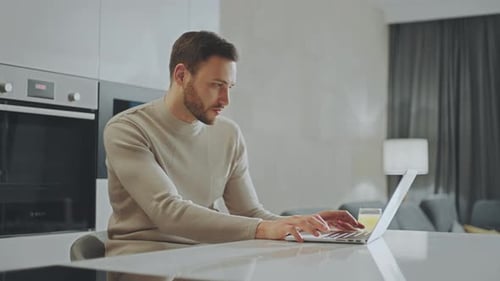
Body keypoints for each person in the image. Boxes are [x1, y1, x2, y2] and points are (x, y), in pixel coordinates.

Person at [103, 31, 363, 255]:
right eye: (216, 85)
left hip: (203, 257)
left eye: (230, 87)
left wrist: (302, 223)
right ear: (181, 75)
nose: (225, 99)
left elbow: (250, 213)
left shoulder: (228, 134)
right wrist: (264, 228)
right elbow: (168, 211)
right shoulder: (127, 129)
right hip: (140, 261)